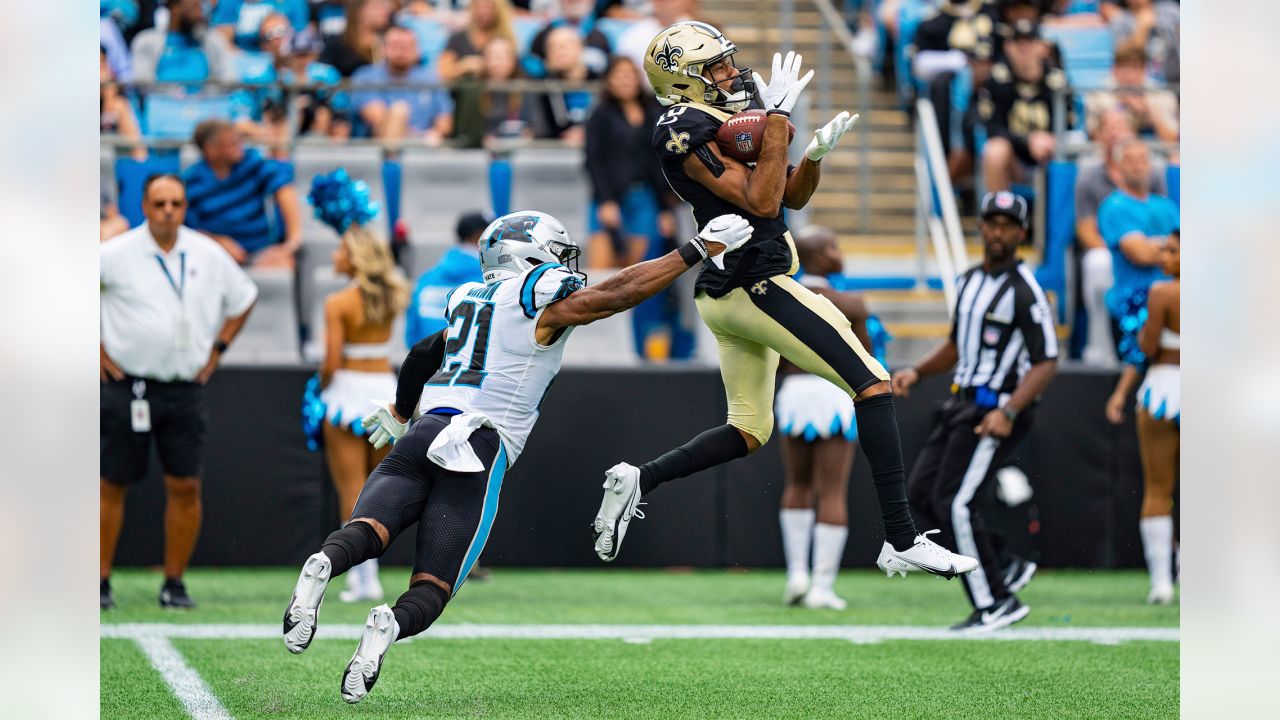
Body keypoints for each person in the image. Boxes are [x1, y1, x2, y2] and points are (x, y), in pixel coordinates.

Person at [280, 209, 754, 703]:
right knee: (434, 585)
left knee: (366, 531)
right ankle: (387, 626)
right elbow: (616, 295)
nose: (564, 262)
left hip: (423, 431)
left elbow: (423, 353)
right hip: (478, 446)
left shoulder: (468, 297)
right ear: (528, 253)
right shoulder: (539, 296)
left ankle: (322, 563)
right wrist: (695, 251)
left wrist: (401, 412)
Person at [591, 22, 978, 580]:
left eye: (728, 61)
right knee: (872, 381)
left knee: (748, 430)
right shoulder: (681, 125)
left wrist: (812, 155)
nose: (730, 73)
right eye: (714, 67)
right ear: (683, 81)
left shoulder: (717, 120)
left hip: (730, 291)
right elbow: (765, 199)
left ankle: (639, 478)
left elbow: (788, 192)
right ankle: (901, 537)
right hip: (757, 284)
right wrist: (775, 123)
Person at [891, 191, 1059, 632]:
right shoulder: (968, 281)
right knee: (924, 495)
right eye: (992, 222)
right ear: (981, 226)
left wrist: (1008, 410)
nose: (998, 231)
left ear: (1022, 233)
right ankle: (1003, 562)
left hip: (995, 408)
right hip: (960, 402)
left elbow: (1046, 361)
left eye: (1008, 224)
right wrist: (916, 371)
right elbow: (956, 345)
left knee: (956, 503)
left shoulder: (1025, 290)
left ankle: (996, 602)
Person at [100, 175, 258, 610]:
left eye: (177, 203)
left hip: (185, 389)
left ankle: (174, 583)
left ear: (185, 206)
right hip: (127, 386)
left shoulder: (208, 253)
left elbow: (245, 298)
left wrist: (219, 349)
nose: (169, 210)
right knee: (110, 485)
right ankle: (98, 582)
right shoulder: (114, 254)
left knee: (185, 485)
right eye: (160, 203)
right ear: (145, 207)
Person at [774, 227, 873, 611]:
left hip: (794, 393)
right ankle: (822, 586)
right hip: (833, 394)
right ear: (817, 257)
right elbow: (865, 359)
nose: (839, 253)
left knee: (796, 484)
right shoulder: (851, 303)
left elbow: (775, 356)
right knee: (832, 491)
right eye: (833, 247)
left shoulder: (783, 298)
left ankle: (796, 574)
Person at [319, 224, 411, 603]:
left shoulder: (337, 303)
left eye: (341, 249)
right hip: (386, 394)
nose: (334, 256)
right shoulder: (396, 295)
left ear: (355, 256)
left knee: (350, 489)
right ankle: (370, 575)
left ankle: (362, 579)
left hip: (345, 394)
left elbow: (331, 361)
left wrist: (320, 387)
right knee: (378, 488)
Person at [1106, 230, 1179, 604]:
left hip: (1165, 388)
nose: (1164, 255)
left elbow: (1146, 348)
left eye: (1172, 250)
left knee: (1157, 489)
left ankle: (1162, 582)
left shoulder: (1161, 293)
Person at [1075, 111, 1166, 366]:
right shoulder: (1100, 189)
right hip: (1115, 256)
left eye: (1121, 126)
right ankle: (1099, 350)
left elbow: (1173, 237)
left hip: (1157, 268)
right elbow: (1086, 229)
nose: (1116, 133)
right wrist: (1123, 249)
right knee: (1098, 262)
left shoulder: (1159, 190)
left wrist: (1154, 248)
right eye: (1110, 127)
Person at [585, 56, 678, 270]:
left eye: (630, 74)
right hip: (610, 196)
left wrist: (665, 209)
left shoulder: (653, 111)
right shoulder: (600, 114)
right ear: (608, 80)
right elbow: (593, 160)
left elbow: (658, 161)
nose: (625, 80)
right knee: (602, 271)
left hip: (645, 196)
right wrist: (606, 200)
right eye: (619, 75)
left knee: (636, 272)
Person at [182, 119, 304, 268]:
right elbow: (188, 231)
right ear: (211, 150)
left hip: (260, 251)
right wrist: (217, 242)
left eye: (239, 140)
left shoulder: (251, 163)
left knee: (283, 264)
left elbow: (284, 187)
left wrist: (292, 242)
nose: (239, 146)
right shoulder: (192, 181)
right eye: (231, 143)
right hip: (214, 257)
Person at [1098, 138, 1178, 348]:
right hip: (1131, 311)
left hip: (1171, 310)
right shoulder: (1114, 206)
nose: (1138, 165)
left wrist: (1154, 245)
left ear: (1150, 165)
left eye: (1142, 159)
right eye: (1130, 160)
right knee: (1136, 373)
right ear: (1118, 168)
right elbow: (1141, 254)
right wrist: (1169, 246)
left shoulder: (1167, 206)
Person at [976, 19, 1072, 193]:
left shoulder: (1058, 82)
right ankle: (1001, 215)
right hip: (1015, 159)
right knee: (995, 150)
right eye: (1018, 43)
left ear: (1042, 47)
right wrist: (1027, 140)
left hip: (1052, 156)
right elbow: (993, 127)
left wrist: (1052, 140)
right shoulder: (997, 81)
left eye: (1030, 42)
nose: (1024, 49)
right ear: (1008, 48)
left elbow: (1070, 123)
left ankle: (1062, 218)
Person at [350, 25, 455, 144]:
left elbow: (445, 123)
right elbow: (377, 120)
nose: (401, 50)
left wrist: (435, 134)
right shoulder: (366, 76)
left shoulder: (432, 78)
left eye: (407, 46)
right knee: (398, 111)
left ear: (418, 51)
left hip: (427, 150)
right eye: (396, 45)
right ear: (383, 48)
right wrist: (419, 139)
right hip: (375, 148)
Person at [404, 211, 489, 347]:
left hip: (428, 364)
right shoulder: (489, 282)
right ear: (479, 235)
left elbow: (411, 336)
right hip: (472, 366)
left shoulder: (426, 280)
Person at [1084, 44, 1178, 143]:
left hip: (1154, 155)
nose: (1129, 75)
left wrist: (1147, 111)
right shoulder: (1098, 95)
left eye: (1135, 68)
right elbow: (1093, 138)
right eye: (1124, 68)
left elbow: (1171, 139)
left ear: (1144, 71)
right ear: (1114, 70)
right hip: (1112, 153)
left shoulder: (1161, 94)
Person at [130, 0, 237, 84]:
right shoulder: (145, 41)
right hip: (162, 107)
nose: (200, 11)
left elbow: (228, 80)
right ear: (174, 7)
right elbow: (143, 84)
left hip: (205, 107)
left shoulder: (213, 40)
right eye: (194, 5)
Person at [437, 0, 517, 85]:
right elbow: (444, 72)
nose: (483, 12)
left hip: (497, 92)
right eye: (479, 6)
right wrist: (463, 67)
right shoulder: (458, 38)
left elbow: (515, 69)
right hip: (465, 92)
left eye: (488, 7)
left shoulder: (504, 38)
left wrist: (490, 66)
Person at [528, 0, 612, 78]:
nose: (575, 1)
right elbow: (531, 63)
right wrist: (547, 66)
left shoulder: (599, 36)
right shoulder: (544, 34)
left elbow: (608, 67)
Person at [320, 0, 393, 78]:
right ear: (359, 11)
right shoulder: (337, 43)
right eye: (377, 7)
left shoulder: (390, 42)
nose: (385, 11)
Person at [213, 0, 309, 52]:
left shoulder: (293, 2)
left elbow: (300, 37)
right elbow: (223, 42)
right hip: (241, 59)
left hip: (284, 59)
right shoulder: (229, 2)